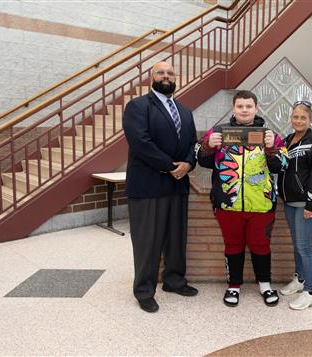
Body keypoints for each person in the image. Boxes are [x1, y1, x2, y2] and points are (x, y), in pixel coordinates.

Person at [197, 90, 288, 307]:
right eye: (240, 106)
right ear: (234, 108)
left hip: (262, 204)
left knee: (261, 245)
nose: (244, 110)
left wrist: (271, 150)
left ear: (256, 108)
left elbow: (283, 165)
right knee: (233, 245)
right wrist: (209, 145)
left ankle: (265, 285)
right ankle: (233, 286)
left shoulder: (270, 135)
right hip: (228, 204)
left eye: (249, 106)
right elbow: (201, 159)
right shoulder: (218, 132)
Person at [122, 61, 198, 313]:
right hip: (148, 185)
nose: (166, 76)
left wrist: (187, 163)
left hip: (178, 185)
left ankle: (174, 280)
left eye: (170, 73)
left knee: (176, 237)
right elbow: (140, 142)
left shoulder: (185, 111)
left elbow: (193, 144)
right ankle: (144, 290)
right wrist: (170, 166)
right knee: (148, 241)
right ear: (150, 77)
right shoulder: (138, 106)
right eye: (161, 73)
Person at [277, 100, 312, 310]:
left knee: (304, 247)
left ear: (310, 119)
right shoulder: (288, 140)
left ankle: (311, 292)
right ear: (291, 118)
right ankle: (299, 280)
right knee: (297, 244)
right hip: (289, 201)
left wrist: (311, 205)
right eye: (295, 116)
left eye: (303, 117)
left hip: (305, 204)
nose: (298, 120)